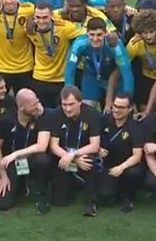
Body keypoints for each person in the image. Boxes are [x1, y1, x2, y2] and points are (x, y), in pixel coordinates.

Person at [0, 89, 53, 213]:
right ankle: (20, 186)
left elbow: (42, 146)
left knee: (42, 159)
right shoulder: (5, 119)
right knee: (2, 204)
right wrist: (3, 175)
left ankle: (42, 194)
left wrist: (15, 154)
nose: (37, 106)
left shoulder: (42, 116)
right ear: (21, 107)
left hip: (31, 160)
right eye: (33, 104)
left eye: (37, 102)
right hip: (12, 163)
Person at [48, 86, 102, 216]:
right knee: (59, 202)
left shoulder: (92, 114)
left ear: (80, 102)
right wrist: (71, 158)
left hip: (83, 154)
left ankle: (91, 201)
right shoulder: (56, 114)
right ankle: (74, 183)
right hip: (64, 157)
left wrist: (73, 154)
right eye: (64, 104)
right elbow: (53, 145)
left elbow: (94, 146)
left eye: (71, 104)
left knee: (90, 161)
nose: (67, 108)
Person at [65, 17, 134, 107]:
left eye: (99, 35)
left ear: (105, 33)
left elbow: (126, 72)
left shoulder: (115, 44)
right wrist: (68, 95)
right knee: (87, 108)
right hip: (92, 77)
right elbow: (70, 70)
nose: (95, 39)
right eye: (92, 35)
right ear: (87, 33)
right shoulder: (80, 43)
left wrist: (128, 98)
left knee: (119, 108)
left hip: (115, 79)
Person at [27, 2, 84, 108]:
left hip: (61, 80)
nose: (41, 21)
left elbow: (86, 36)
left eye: (45, 17)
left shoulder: (65, 28)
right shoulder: (29, 30)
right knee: (41, 113)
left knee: (64, 112)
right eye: (37, 17)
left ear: (52, 15)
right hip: (40, 78)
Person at [98, 93, 145, 213]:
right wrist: (98, 149)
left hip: (126, 166)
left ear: (129, 109)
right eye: (115, 106)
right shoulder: (104, 120)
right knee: (105, 196)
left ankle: (128, 198)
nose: (116, 110)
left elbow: (137, 156)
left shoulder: (135, 128)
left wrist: (122, 167)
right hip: (108, 165)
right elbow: (92, 139)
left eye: (121, 107)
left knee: (134, 172)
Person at [125, 9, 156, 109]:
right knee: (145, 108)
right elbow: (124, 65)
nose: (149, 36)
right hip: (148, 78)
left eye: (151, 32)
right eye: (145, 33)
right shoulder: (134, 44)